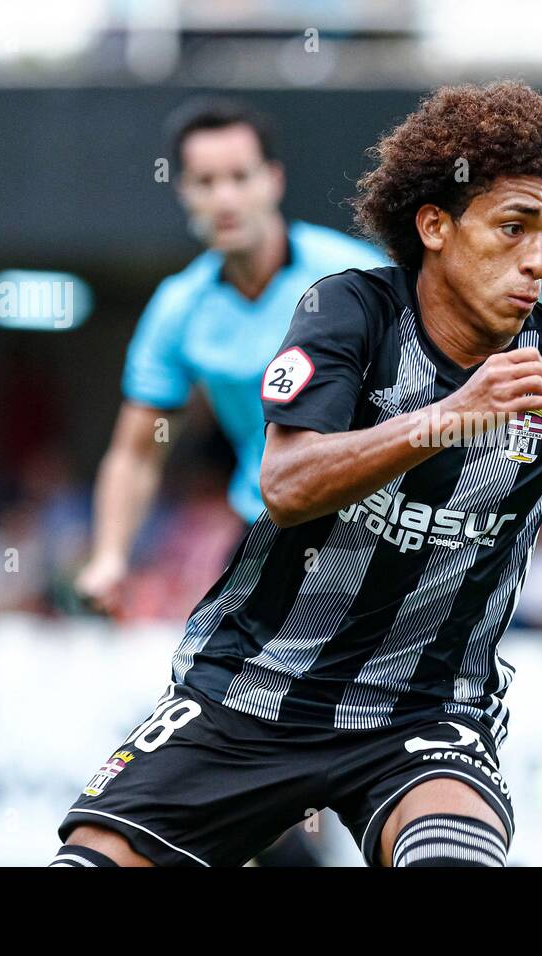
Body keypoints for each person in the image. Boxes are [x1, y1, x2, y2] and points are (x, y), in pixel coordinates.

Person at [52, 81, 542, 868]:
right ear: (434, 227)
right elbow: (282, 486)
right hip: (255, 685)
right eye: (513, 228)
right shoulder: (344, 308)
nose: (537, 260)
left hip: (425, 712)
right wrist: (449, 417)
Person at [74, 98, 385, 615]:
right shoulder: (178, 307)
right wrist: (109, 557)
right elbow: (136, 451)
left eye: (240, 177)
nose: (225, 198)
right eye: (205, 181)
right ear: (183, 192)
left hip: (381, 528)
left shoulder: (358, 277)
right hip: (267, 528)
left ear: (274, 180)